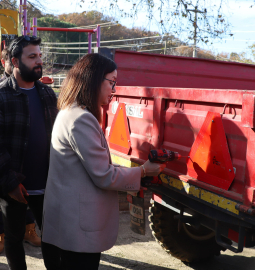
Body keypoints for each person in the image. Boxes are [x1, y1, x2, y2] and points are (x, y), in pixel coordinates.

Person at [41, 53, 165, 270]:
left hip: (68, 223)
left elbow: (93, 167)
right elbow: (103, 175)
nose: (113, 89)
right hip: (77, 231)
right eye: (112, 82)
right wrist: (143, 171)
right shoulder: (82, 119)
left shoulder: (70, 112)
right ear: (94, 80)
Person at [0, 35, 58, 269]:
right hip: (13, 186)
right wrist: (11, 183)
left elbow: (56, 138)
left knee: (53, 238)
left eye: (39, 56)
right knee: (13, 239)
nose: (38, 61)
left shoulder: (47, 94)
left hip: (47, 184)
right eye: (32, 57)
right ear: (15, 62)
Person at [0, 47, 42, 254]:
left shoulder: (35, 88)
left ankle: (29, 230)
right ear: (5, 63)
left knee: (29, 200)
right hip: (4, 162)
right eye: (8, 61)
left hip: (26, 161)